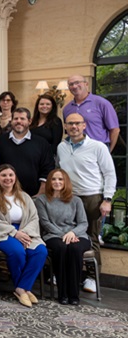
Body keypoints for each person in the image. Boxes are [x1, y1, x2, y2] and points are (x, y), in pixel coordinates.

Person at [58, 112, 116, 292]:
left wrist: (107, 199)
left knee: (91, 237)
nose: (74, 127)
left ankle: (91, 277)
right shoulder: (62, 147)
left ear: (84, 125)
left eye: (77, 123)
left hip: (92, 197)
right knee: (66, 234)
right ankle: (67, 273)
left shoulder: (97, 146)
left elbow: (109, 173)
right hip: (69, 197)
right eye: (70, 124)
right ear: (65, 127)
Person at [0, 164, 47, 308]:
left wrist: (24, 233)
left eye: (10, 175)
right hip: (1, 232)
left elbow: (34, 217)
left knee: (40, 251)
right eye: (3, 175)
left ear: (15, 177)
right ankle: (23, 289)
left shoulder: (24, 196)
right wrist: (14, 233)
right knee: (17, 251)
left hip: (25, 230)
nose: (7, 178)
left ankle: (22, 287)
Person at [35, 168, 90, 305]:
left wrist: (73, 233)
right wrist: (64, 235)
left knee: (75, 249)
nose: (57, 182)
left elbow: (83, 223)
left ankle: (74, 295)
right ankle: (63, 294)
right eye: (53, 179)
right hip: (53, 235)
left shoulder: (76, 200)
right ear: (49, 182)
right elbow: (45, 223)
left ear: (66, 182)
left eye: (60, 179)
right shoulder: (41, 200)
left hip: (77, 235)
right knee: (61, 248)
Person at [0, 107, 54, 197]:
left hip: (33, 195)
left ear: (29, 121)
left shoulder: (41, 143)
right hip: (5, 194)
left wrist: (41, 192)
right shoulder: (0, 142)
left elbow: (48, 168)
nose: (19, 121)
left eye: (22, 118)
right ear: (11, 121)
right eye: (15, 118)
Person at [63, 74, 119, 151]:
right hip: (76, 150)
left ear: (86, 84)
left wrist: (108, 151)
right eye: (71, 84)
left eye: (77, 82)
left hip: (97, 150)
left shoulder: (101, 103)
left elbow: (115, 130)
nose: (74, 86)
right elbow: (69, 132)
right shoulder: (67, 109)